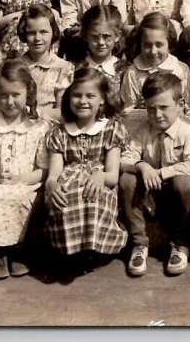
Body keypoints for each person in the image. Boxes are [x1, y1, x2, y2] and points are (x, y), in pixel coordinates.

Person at [0, 60, 51, 280]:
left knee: (24, 196)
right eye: (3, 95)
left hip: (27, 183)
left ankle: (18, 249)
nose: (10, 101)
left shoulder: (39, 127)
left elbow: (44, 169)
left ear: (28, 94)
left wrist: (22, 179)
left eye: (16, 94)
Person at [44, 69, 129, 275]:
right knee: (66, 198)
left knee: (94, 199)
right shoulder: (60, 132)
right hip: (68, 178)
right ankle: (68, 251)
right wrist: (52, 185)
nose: (82, 101)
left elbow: (112, 174)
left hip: (100, 179)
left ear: (102, 100)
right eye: (77, 95)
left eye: (90, 96)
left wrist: (101, 176)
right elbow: (54, 173)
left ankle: (94, 250)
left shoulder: (111, 129)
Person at [119, 72, 190, 276]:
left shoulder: (187, 130)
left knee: (186, 183)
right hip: (148, 195)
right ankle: (139, 244)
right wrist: (141, 166)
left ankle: (181, 244)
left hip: (175, 194)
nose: (157, 115)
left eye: (163, 107)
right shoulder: (142, 131)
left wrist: (161, 172)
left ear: (180, 105)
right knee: (127, 179)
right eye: (151, 108)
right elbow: (124, 159)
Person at [0, 4, 73, 122]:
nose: (37, 38)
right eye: (31, 33)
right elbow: (1, 106)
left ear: (53, 32)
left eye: (43, 32)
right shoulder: (14, 68)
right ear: (24, 34)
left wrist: (34, 112)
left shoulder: (64, 68)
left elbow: (63, 113)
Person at [120, 12, 190, 110]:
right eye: (147, 45)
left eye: (159, 45)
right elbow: (128, 109)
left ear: (169, 44)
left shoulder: (181, 70)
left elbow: (186, 106)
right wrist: (138, 107)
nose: (153, 52)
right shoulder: (132, 73)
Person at [73, 5, 131, 97]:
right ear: (85, 36)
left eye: (106, 36)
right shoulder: (75, 69)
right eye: (95, 37)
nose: (101, 42)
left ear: (117, 36)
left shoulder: (126, 71)